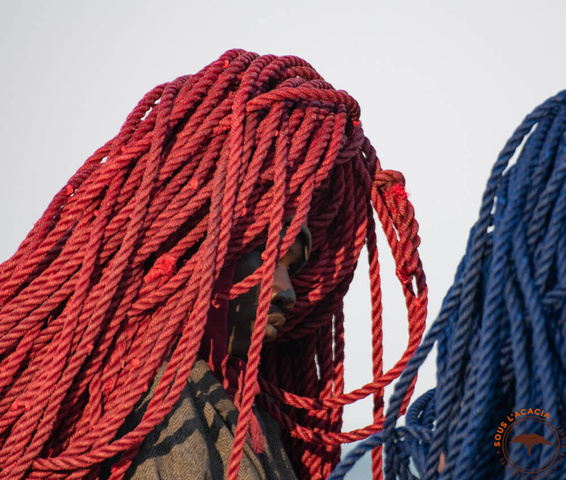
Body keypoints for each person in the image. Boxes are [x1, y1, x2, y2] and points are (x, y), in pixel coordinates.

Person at [0, 49, 427, 480]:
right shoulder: (160, 409)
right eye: (266, 256)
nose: (289, 290)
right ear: (192, 252)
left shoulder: (243, 410)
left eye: (293, 268)